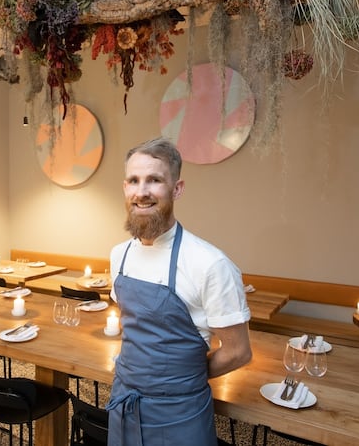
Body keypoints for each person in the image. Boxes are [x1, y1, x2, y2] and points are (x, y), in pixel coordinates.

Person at [105, 137, 253, 446]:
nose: (141, 192)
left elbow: (238, 351)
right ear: (125, 188)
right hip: (125, 402)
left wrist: (181, 378)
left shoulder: (211, 264)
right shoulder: (119, 255)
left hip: (180, 412)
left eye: (155, 180)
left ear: (177, 189)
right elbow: (133, 325)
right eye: (134, 180)